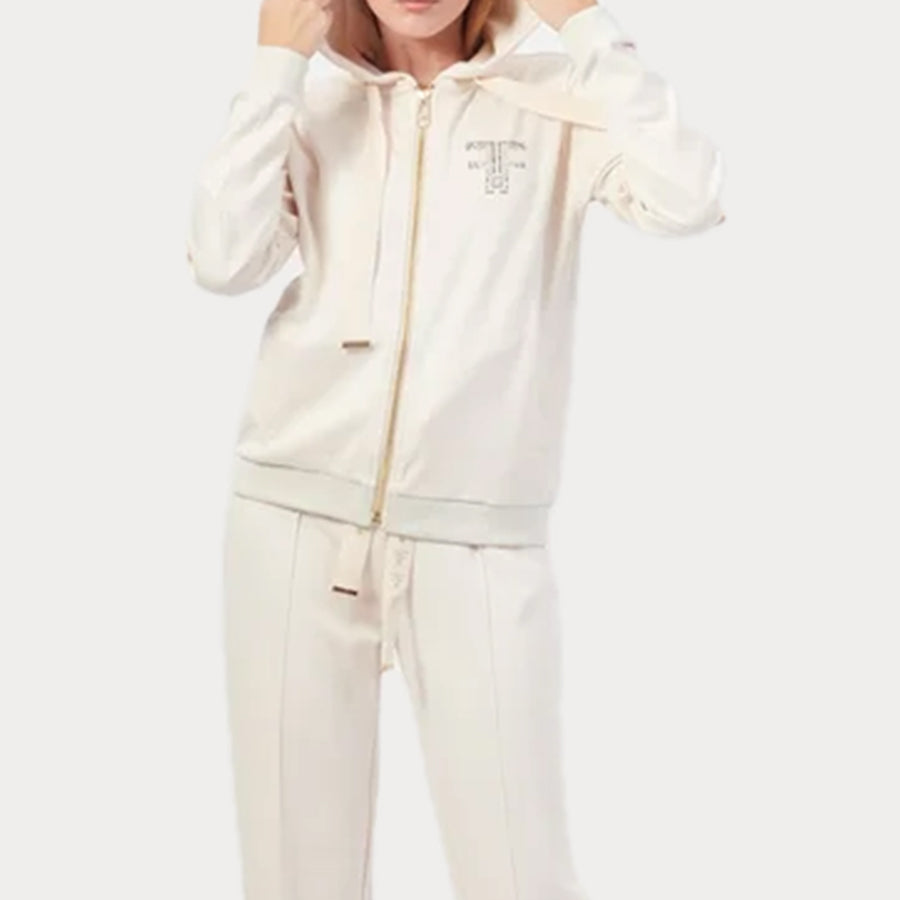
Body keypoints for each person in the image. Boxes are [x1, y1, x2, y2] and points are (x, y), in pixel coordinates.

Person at [185, 0, 725, 897]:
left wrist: (585, 25)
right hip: (291, 525)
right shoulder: (310, 100)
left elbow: (689, 194)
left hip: (478, 541)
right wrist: (274, 68)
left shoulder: (555, 100)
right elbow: (221, 257)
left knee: (518, 870)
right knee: (294, 877)